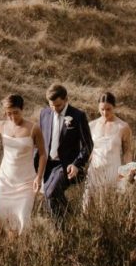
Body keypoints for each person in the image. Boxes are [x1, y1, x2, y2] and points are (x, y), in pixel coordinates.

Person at [0, 95, 47, 235]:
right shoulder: (1, 125)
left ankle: (18, 252)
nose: (12, 116)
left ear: (22, 109)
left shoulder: (33, 128)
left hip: (25, 183)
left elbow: (43, 154)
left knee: (22, 220)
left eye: (15, 112)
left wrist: (39, 177)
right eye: (8, 113)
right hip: (5, 181)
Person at [35, 84, 93, 222]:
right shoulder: (44, 113)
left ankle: (72, 220)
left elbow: (88, 145)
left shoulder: (78, 116)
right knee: (50, 200)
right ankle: (66, 228)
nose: (55, 109)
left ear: (66, 99)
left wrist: (76, 164)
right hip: (48, 164)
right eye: (52, 106)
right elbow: (41, 140)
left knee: (51, 192)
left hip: (66, 165)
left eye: (59, 105)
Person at [85, 92, 133, 206]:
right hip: (95, 170)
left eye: (108, 109)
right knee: (88, 205)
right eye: (102, 109)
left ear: (114, 107)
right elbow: (87, 150)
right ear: (98, 107)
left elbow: (127, 151)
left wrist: (129, 169)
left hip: (113, 171)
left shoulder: (123, 127)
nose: (105, 112)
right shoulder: (91, 125)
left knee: (108, 205)